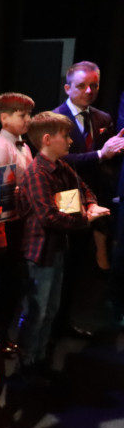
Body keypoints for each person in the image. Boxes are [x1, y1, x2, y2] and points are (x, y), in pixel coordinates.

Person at [13, 112, 107, 376]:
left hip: (56, 250)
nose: (69, 141)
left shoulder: (60, 166)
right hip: (39, 252)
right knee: (37, 310)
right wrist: (86, 219)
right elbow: (48, 216)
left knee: (51, 308)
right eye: (64, 136)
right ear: (46, 139)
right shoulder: (37, 172)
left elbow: (83, 189)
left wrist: (89, 204)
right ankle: (27, 360)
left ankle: (39, 357)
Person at [54, 61, 124, 274]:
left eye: (94, 85)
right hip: (66, 198)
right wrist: (100, 154)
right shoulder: (55, 119)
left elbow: (109, 162)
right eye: (82, 85)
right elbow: (60, 160)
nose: (89, 91)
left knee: (89, 271)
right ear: (68, 88)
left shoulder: (103, 118)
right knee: (66, 265)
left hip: (97, 200)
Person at [0, 93, 35, 344]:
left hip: (19, 223)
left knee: (15, 285)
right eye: (22, 115)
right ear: (4, 118)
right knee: (3, 288)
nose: (28, 120)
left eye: (29, 115)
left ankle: (5, 335)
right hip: (4, 227)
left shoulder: (22, 146)